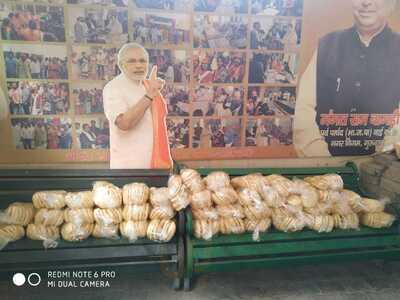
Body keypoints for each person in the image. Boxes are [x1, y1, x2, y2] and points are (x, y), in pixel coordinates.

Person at [294, 0, 400, 157]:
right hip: (325, 166)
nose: (366, 3)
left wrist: (380, 162)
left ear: (391, 5)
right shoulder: (327, 44)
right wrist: (322, 161)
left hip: (383, 169)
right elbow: (305, 109)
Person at [103, 43, 172, 169]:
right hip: (127, 168)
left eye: (142, 61)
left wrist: (151, 91)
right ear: (121, 65)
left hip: (154, 165)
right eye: (132, 61)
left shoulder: (146, 85)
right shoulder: (113, 88)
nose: (139, 65)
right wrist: (150, 94)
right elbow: (124, 123)